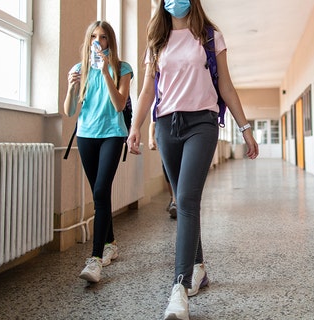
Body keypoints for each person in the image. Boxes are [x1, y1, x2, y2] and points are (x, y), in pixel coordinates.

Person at [127, 0, 259, 318]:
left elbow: (225, 84)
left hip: (202, 123)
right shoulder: (156, 41)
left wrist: (245, 128)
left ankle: (179, 289)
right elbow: (147, 91)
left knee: (185, 200)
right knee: (185, 201)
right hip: (167, 128)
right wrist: (135, 127)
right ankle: (198, 267)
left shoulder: (210, 36)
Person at [63, 21, 133, 283]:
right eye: (93, 36)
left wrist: (105, 72)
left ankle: (94, 261)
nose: (98, 41)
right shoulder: (79, 69)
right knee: (99, 194)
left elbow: (119, 105)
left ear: (109, 42)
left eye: (103, 37)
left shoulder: (122, 69)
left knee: (101, 191)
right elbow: (69, 111)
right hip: (85, 136)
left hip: (112, 135)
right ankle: (111, 243)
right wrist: (71, 87)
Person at [149, 119, 177, 219]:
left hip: (181, 140)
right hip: (166, 140)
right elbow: (153, 121)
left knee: (178, 172)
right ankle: (173, 198)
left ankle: (175, 201)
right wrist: (150, 139)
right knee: (168, 172)